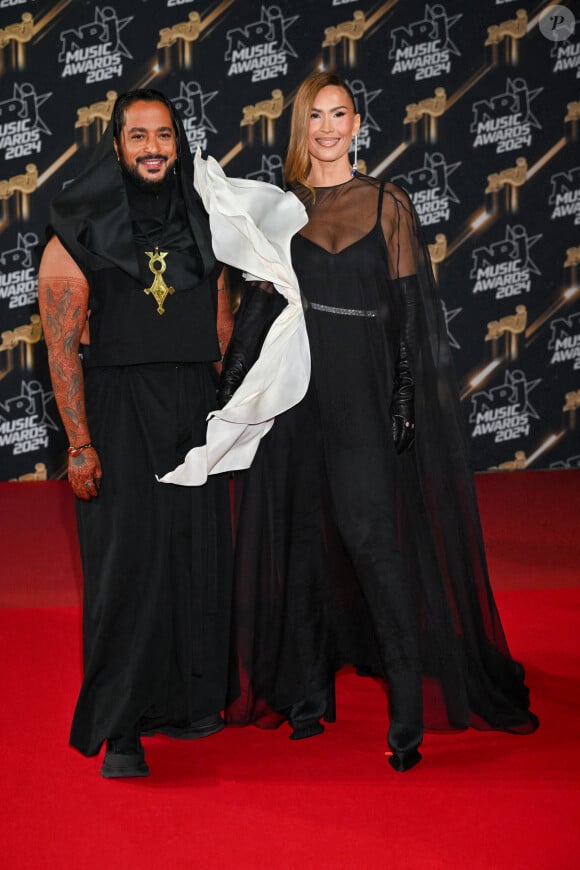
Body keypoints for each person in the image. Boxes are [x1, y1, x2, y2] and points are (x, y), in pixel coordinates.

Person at [162, 72, 539, 772]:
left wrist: (402, 397)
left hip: (364, 395)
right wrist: (230, 387)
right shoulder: (282, 209)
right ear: (301, 128)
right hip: (297, 398)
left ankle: (405, 714)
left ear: (358, 124)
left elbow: (409, 317)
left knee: (373, 544)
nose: (330, 129)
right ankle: (305, 701)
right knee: (302, 545)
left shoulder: (388, 202)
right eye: (317, 117)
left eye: (341, 115)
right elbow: (259, 307)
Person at [37, 89, 233, 778]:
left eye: (164, 134)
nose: (153, 145)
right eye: (138, 134)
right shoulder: (78, 226)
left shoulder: (208, 220)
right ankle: (122, 728)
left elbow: (221, 328)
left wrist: (232, 411)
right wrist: (80, 442)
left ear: (179, 143)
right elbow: (61, 348)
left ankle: (183, 702)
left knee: (190, 555)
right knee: (127, 568)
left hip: (192, 408)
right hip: (118, 412)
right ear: (117, 145)